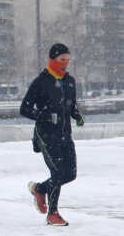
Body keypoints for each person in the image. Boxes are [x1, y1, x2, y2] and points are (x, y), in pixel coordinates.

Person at [20, 43, 82, 226]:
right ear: (52, 60)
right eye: (62, 60)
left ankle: (39, 189)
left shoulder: (70, 81)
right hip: (46, 134)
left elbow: (71, 104)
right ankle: (53, 214)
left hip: (64, 134)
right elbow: (24, 109)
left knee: (70, 174)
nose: (65, 64)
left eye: (67, 60)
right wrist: (42, 115)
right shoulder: (41, 82)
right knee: (57, 172)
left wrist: (76, 114)